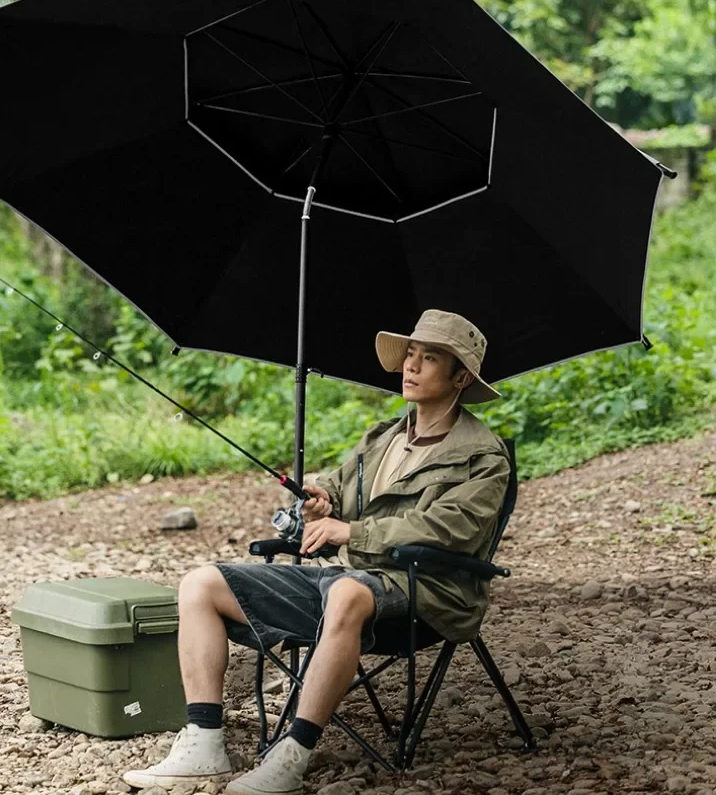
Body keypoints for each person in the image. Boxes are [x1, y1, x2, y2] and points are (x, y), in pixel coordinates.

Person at [123, 309, 510, 794]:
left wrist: (351, 532)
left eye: (429, 358)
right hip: (349, 580)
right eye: (410, 354)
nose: (410, 366)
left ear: (460, 377)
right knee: (201, 583)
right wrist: (323, 496)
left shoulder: (484, 456)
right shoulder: (384, 436)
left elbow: (449, 528)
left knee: (345, 593)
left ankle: (292, 754)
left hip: (428, 592)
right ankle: (204, 742)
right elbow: (341, 486)